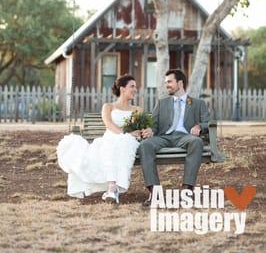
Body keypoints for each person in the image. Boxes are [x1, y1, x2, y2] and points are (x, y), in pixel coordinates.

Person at [57, 74, 142, 203]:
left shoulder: (137, 109)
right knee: (111, 144)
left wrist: (136, 133)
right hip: (112, 137)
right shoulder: (108, 106)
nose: (135, 89)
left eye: (135, 87)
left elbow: (138, 128)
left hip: (128, 141)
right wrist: (125, 134)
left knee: (125, 142)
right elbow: (109, 124)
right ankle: (113, 187)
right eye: (132, 86)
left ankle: (114, 189)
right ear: (122, 89)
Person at [138, 68, 210, 206]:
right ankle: (154, 193)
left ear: (180, 83)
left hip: (185, 137)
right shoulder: (162, 103)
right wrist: (150, 131)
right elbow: (153, 124)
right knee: (145, 145)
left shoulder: (197, 103)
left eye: (170, 82)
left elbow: (208, 122)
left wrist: (200, 126)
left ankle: (187, 191)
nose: (167, 85)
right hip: (164, 137)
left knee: (196, 142)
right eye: (166, 82)